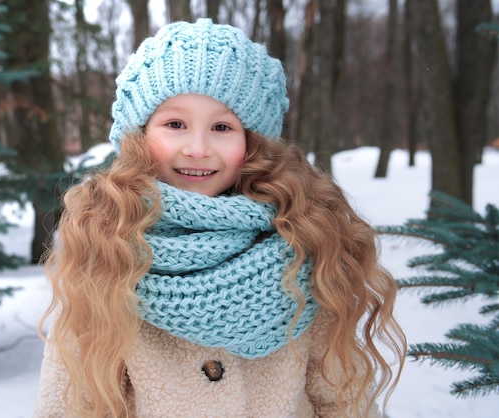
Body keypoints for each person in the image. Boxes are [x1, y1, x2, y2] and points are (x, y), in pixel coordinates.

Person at [33, 18, 406, 418]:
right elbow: (71, 406)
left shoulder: (304, 243)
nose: (197, 147)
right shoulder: (104, 250)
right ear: (139, 136)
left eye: (222, 127)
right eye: (175, 124)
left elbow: (342, 404)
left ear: (253, 142)